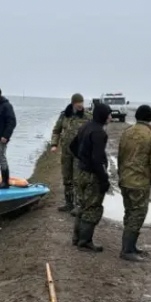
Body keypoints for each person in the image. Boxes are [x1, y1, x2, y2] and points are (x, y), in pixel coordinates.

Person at [116, 104, 151, 262]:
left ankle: (131, 246)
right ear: (150, 117)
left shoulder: (127, 132)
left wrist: (120, 174)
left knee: (129, 212)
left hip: (125, 180)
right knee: (137, 214)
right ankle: (127, 250)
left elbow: (120, 155)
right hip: (139, 183)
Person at [68, 102, 112, 252]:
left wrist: (82, 159)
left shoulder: (85, 126)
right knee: (92, 208)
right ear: (103, 116)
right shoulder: (99, 133)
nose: (111, 117)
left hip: (81, 173)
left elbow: (72, 146)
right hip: (92, 175)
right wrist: (104, 179)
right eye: (109, 114)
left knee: (82, 205)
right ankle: (85, 241)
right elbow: (97, 159)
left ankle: (76, 238)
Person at [50, 93, 92, 215]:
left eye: (82, 103)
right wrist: (54, 144)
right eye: (78, 103)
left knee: (78, 179)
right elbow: (56, 131)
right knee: (67, 177)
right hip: (66, 152)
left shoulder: (88, 116)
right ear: (73, 103)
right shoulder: (64, 115)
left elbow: (95, 131)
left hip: (80, 153)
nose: (80, 105)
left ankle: (79, 205)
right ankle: (69, 203)